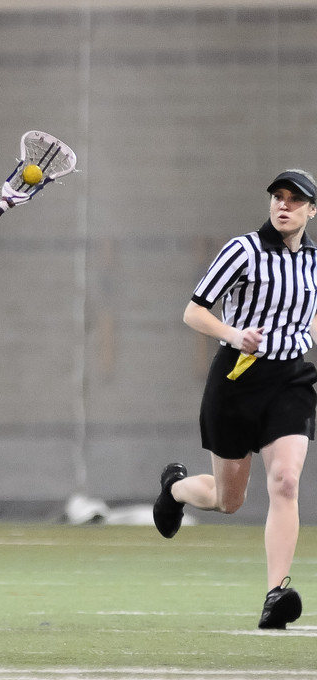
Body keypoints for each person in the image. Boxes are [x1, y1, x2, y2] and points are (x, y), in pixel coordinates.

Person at [153, 169, 317, 630]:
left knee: (285, 481)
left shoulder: (313, 262)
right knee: (229, 501)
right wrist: (233, 334)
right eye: (278, 197)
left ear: (312, 210)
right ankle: (175, 489)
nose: (284, 205)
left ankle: (275, 595)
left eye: (295, 199)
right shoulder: (243, 250)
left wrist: (304, 339)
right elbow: (194, 311)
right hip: (237, 378)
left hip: (291, 380)